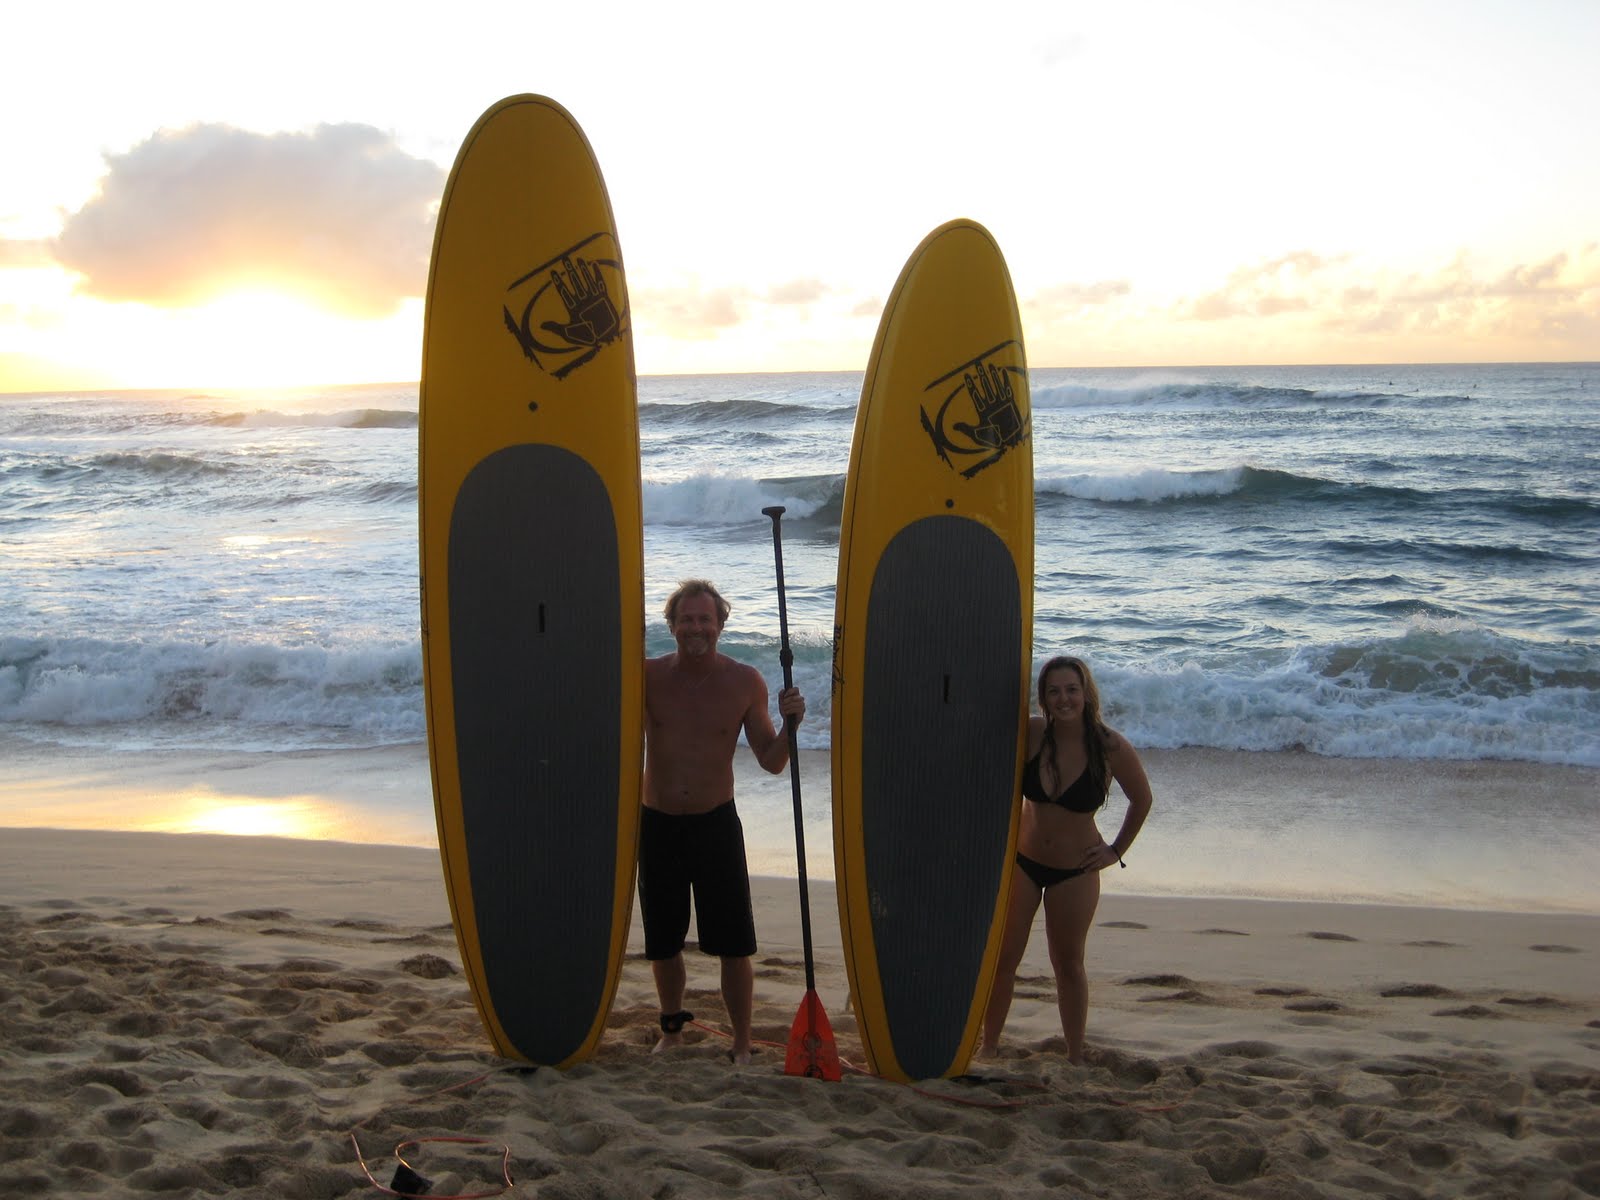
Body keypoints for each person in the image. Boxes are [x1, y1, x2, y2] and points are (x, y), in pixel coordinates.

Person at [640, 578, 806, 1064]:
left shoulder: (744, 682)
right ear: (670, 625)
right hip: (658, 823)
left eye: (705, 619)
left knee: (735, 942)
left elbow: (771, 761)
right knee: (663, 940)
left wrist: (792, 725)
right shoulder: (645, 676)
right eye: (687, 619)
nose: (697, 628)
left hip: (716, 824)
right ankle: (672, 1030)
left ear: (721, 624)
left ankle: (740, 1041)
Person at [980, 655, 1153, 1064]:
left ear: (1086, 693)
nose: (1064, 699)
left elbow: (1142, 800)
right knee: (1005, 957)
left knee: (1068, 963)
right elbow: (983, 742)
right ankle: (988, 1044)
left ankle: (1075, 1055)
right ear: (1043, 697)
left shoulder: (1110, 746)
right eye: (1054, 691)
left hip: (1075, 871)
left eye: (1072, 690)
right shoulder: (1034, 733)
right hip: (1023, 861)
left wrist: (1115, 851)